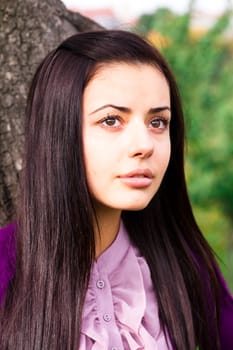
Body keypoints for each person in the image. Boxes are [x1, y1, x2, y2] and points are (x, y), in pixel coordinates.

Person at [0, 29, 232, 350]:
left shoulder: (186, 265)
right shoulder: (5, 266)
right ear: (58, 131)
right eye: (111, 120)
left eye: (158, 122)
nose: (143, 145)